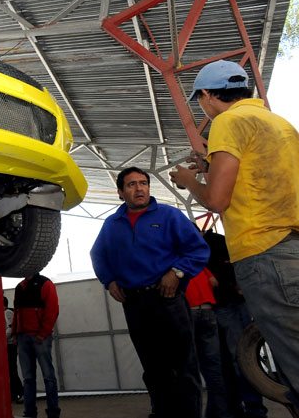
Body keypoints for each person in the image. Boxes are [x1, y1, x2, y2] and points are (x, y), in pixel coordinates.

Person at [169, 59, 299, 406]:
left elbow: (216, 200)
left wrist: (190, 180)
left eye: (200, 100)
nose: (202, 106)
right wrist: (210, 166)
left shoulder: (227, 122)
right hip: (292, 246)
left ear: (208, 95)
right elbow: (261, 173)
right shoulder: (279, 123)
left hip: (263, 250)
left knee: (294, 361)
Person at [90, 166, 209, 418]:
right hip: (134, 304)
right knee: (153, 368)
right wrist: (109, 281)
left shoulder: (169, 215)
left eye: (143, 183)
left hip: (168, 300)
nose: (139, 189)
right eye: (131, 184)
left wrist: (176, 272)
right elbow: (98, 255)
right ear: (120, 192)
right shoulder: (112, 224)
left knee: (183, 367)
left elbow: (198, 250)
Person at [204, 229, 268, 418]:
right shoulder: (211, 243)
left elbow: (236, 265)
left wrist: (232, 285)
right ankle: (240, 407)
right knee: (228, 359)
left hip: (228, 304)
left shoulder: (216, 243)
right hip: (219, 305)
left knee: (239, 357)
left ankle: (253, 408)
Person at [185, 267, 233, 418]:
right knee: (214, 368)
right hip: (208, 311)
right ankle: (220, 413)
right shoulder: (200, 265)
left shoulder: (173, 262)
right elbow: (214, 282)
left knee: (188, 369)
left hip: (187, 311)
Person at [12, 273, 60, 418]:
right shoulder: (19, 287)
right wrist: (15, 334)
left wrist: (43, 333)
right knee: (28, 378)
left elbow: (52, 310)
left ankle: (52, 412)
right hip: (23, 337)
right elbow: (16, 312)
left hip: (39, 337)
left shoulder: (46, 283)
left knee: (48, 376)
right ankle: (30, 412)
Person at [4, 296, 23, 403]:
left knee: (11, 370)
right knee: (10, 370)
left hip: (10, 345)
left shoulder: (7, 313)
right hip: (8, 345)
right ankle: (14, 393)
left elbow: (10, 328)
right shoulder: (6, 313)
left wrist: (0, 338)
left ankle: (20, 392)